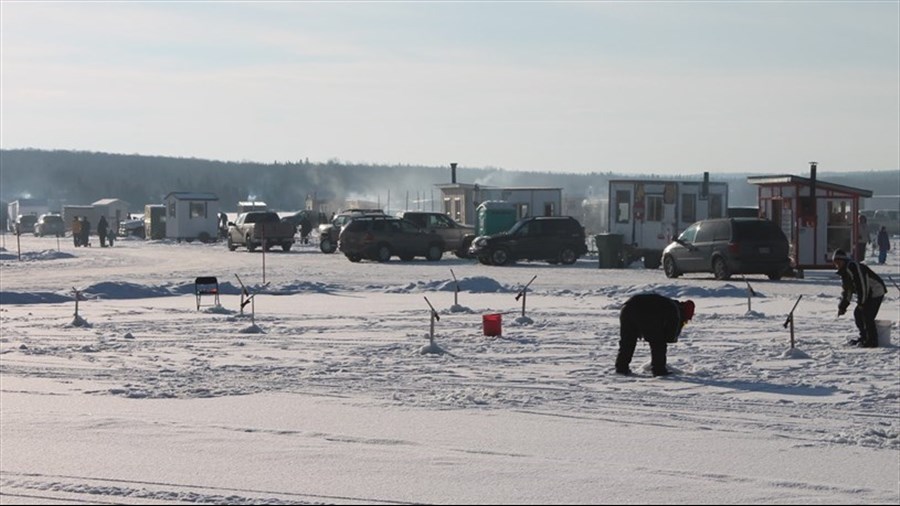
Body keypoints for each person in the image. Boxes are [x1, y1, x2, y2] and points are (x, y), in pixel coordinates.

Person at [615, 293, 695, 377]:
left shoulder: (668, 303)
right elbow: (670, 336)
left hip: (627, 308)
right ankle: (659, 370)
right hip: (646, 312)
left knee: (627, 341)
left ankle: (621, 368)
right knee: (658, 343)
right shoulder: (675, 310)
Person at [833, 249, 886, 348]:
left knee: (867, 315)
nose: (837, 264)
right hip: (867, 293)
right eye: (835, 262)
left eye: (838, 261)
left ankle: (872, 341)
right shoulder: (844, 272)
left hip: (876, 290)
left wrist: (862, 303)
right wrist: (842, 306)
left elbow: (862, 285)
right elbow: (847, 291)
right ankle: (865, 337)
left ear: (843, 260)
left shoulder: (853, 267)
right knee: (858, 313)